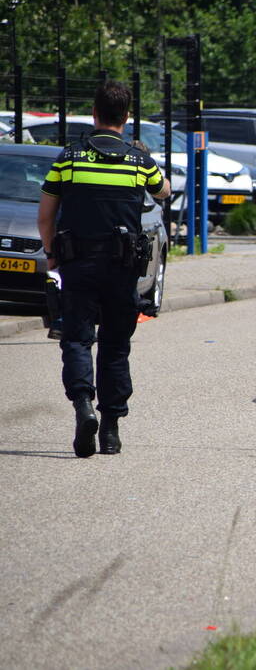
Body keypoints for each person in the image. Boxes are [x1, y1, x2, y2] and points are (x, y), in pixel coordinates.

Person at [37, 81, 171, 458]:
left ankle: (83, 406)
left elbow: (46, 216)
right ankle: (110, 428)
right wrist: (146, 159)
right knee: (115, 346)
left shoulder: (70, 157)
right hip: (122, 267)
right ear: (126, 118)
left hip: (78, 263)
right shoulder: (138, 160)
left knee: (77, 339)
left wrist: (51, 255)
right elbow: (164, 192)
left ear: (93, 113)